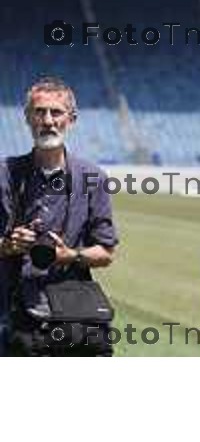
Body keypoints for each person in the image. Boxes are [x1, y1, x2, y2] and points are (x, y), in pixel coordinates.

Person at [0, 76, 118, 356]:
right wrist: (7, 245)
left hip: (71, 318)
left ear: (71, 119)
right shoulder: (5, 174)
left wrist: (71, 256)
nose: (48, 120)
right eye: (39, 112)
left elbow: (107, 252)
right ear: (27, 118)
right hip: (11, 314)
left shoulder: (93, 178)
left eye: (56, 112)